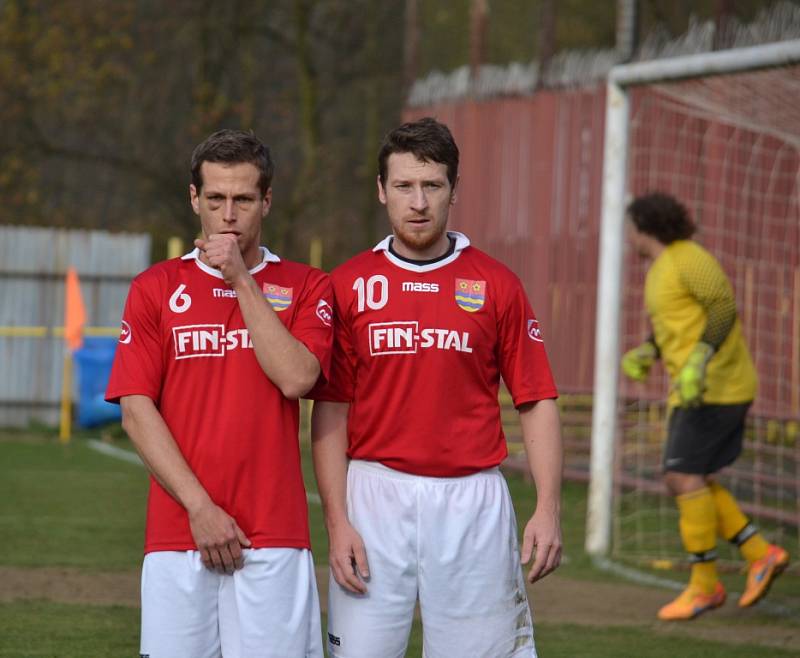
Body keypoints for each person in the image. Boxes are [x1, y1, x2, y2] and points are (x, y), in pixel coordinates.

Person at [310, 117, 562, 658]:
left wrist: (548, 507)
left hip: (472, 501)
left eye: (432, 185)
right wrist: (337, 523)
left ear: (454, 190)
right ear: (382, 191)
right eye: (403, 186)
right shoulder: (348, 284)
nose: (418, 201)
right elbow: (331, 410)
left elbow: (536, 399)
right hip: (373, 496)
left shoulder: (497, 285)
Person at [106, 129, 332, 657]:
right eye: (215, 199)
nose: (229, 214)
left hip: (273, 535)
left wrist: (242, 282)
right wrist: (200, 508)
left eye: (244, 199)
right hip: (178, 532)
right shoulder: (155, 288)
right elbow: (136, 412)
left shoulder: (307, 286)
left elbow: (297, 378)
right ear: (194, 199)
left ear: (266, 202)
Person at [622, 192, 790, 621]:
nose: (628, 236)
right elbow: (682, 324)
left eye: (630, 227)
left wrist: (699, 359)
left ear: (643, 226)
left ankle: (705, 586)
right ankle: (759, 553)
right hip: (694, 390)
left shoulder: (687, 257)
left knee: (681, 475)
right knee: (685, 479)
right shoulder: (661, 270)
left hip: (718, 387)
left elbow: (721, 308)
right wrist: (648, 350)